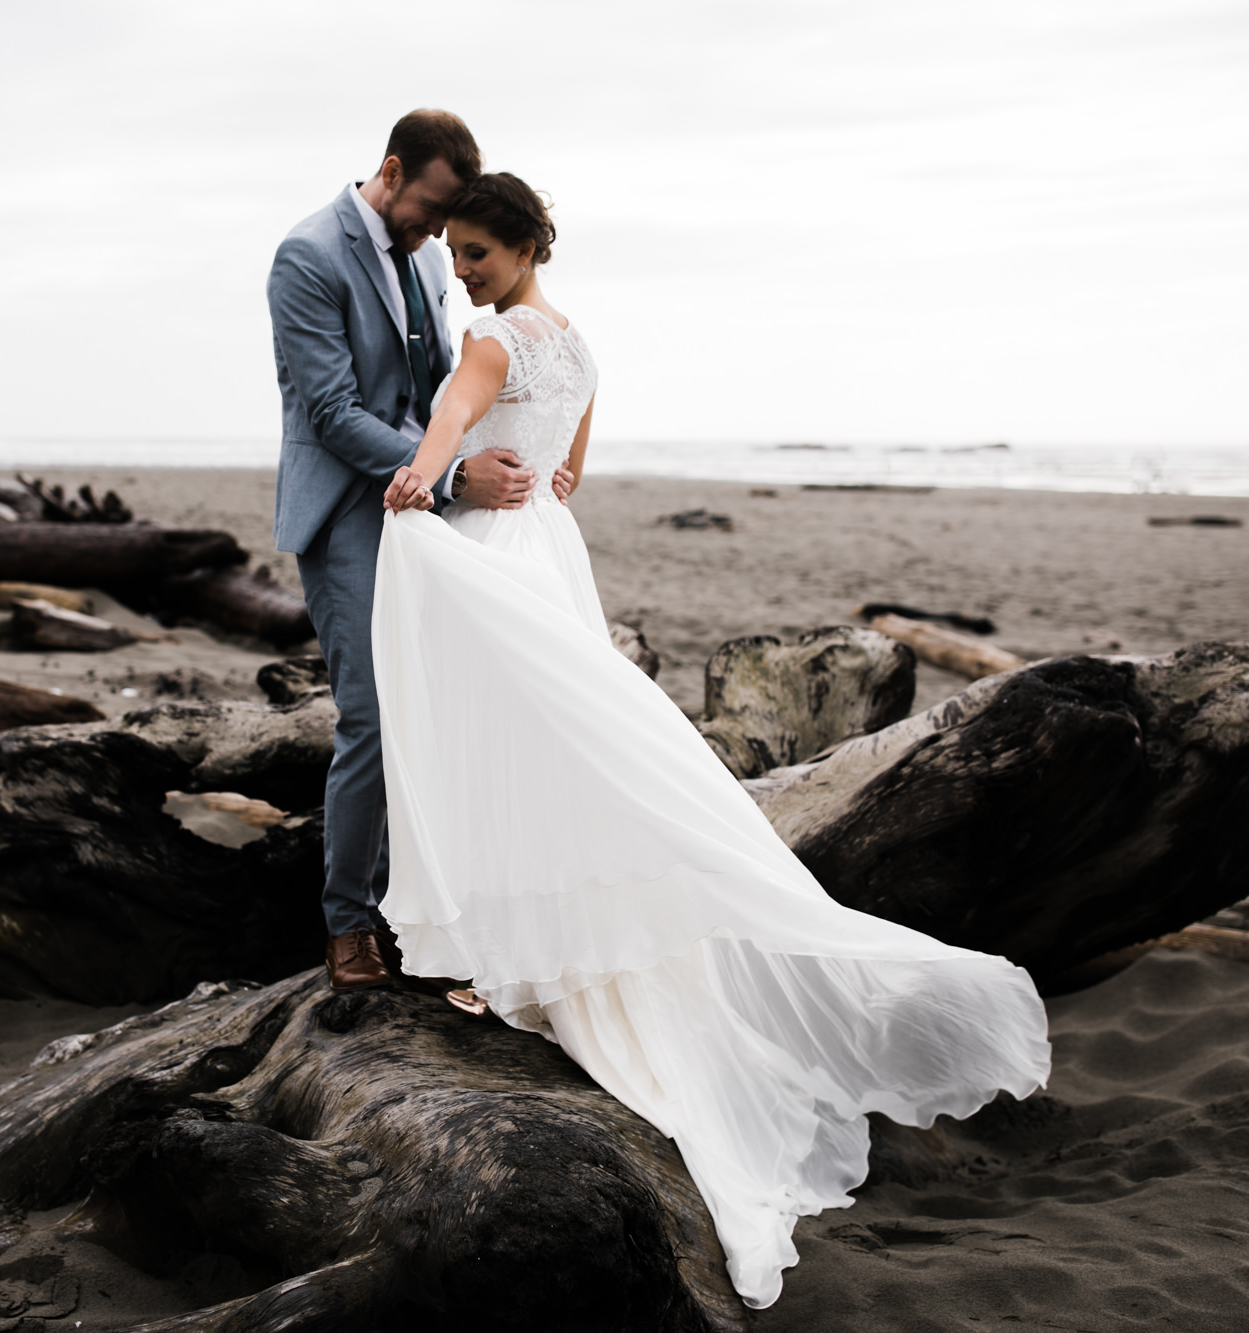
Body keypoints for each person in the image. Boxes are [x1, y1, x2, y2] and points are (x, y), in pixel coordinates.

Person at [375, 172, 1053, 1308]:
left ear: (529, 245)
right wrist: (516, 474)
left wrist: (421, 476)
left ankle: (504, 962)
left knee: (498, 743)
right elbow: (573, 468)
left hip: (499, 546)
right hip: (545, 542)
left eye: (477, 254)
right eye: (452, 254)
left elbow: (450, 419)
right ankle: (521, 955)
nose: (462, 273)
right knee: (550, 746)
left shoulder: (492, 341)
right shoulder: (580, 347)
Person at [266, 110, 572, 992]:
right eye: (431, 209)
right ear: (392, 170)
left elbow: (441, 385)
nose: (439, 233)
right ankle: (348, 927)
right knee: (375, 714)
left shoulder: (432, 256)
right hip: (350, 508)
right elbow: (330, 414)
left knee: (447, 711)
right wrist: (446, 478)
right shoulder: (308, 256)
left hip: (427, 505)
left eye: (451, 222)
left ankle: (435, 912)